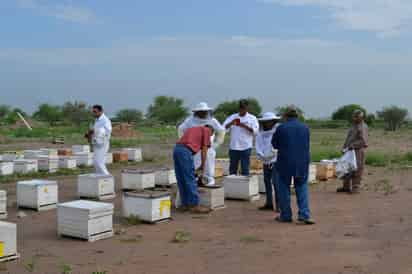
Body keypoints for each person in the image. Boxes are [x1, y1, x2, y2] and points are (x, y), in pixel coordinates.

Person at [272, 106, 315, 225]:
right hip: (302, 162)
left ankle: (286, 215)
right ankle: (304, 215)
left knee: (284, 189)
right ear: (297, 116)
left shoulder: (281, 128)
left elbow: (274, 145)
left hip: (285, 162)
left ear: (285, 116)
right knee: (302, 188)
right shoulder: (305, 127)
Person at [178, 102, 225, 186]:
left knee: (209, 165)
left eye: (204, 112)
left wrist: (216, 144)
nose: (203, 113)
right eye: (201, 112)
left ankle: (209, 180)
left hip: (209, 147)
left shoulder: (212, 120)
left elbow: (221, 131)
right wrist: (186, 143)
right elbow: (181, 129)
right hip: (194, 148)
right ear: (197, 112)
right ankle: (195, 180)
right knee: (195, 165)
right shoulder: (190, 120)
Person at [174, 125, 214, 214]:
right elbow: (204, 149)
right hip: (185, 151)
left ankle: (185, 204)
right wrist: (202, 166)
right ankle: (194, 205)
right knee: (190, 178)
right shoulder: (207, 130)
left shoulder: (193, 128)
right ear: (211, 131)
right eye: (211, 136)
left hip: (177, 149)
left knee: (182, 179)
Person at [223, 99, 259, 176]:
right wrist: (231, 123)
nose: (242, 109)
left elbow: (255, 131)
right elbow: (223, 128)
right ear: (239, 108)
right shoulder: (233, 117)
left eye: (244, 107)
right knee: (232, 169)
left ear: (247, 108)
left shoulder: (252, 118)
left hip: (246, 147)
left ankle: (244, 187)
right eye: (241, 107)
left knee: (245, 168)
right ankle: (233, 186)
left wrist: (244, 126)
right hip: (234, 147)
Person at [337, 110, 369, 194]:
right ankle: (346, 187)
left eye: (356, 117)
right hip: (349, 151)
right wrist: (344, 148)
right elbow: (349, 138)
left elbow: (363, 141)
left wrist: (352, 146)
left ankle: (355, 187)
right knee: (347, 168)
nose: (354, 118)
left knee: (357, 169)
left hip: (358, 151)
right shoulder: (353, 126)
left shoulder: (363, 127)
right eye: (354, 116)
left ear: (360, 118)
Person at [256, 112, 281, 212]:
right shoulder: (260, 133)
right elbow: (258, 146)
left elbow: (278, 146)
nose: (268, 123)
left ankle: (279, 205)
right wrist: (262, 156)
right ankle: (269, 203)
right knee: (266, 182)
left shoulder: (278, 131)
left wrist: (272, 154)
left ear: (273, 121)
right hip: (265, 161)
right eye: (266, 122)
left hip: (276, 161)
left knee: (276, 183)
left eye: (270, 121)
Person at [87, 105, 112, 175]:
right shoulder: (96, 120)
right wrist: (89, 134)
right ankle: (100, 179)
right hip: (96, 143)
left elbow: (108, 131)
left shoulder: (105, 120)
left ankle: (107, 178)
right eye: (93, 112)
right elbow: (95, 130)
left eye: (95, 112)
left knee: (99, 162)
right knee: (96, 162)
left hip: (103, 144)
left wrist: (95, 132)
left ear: (101, 111)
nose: (94, 113)